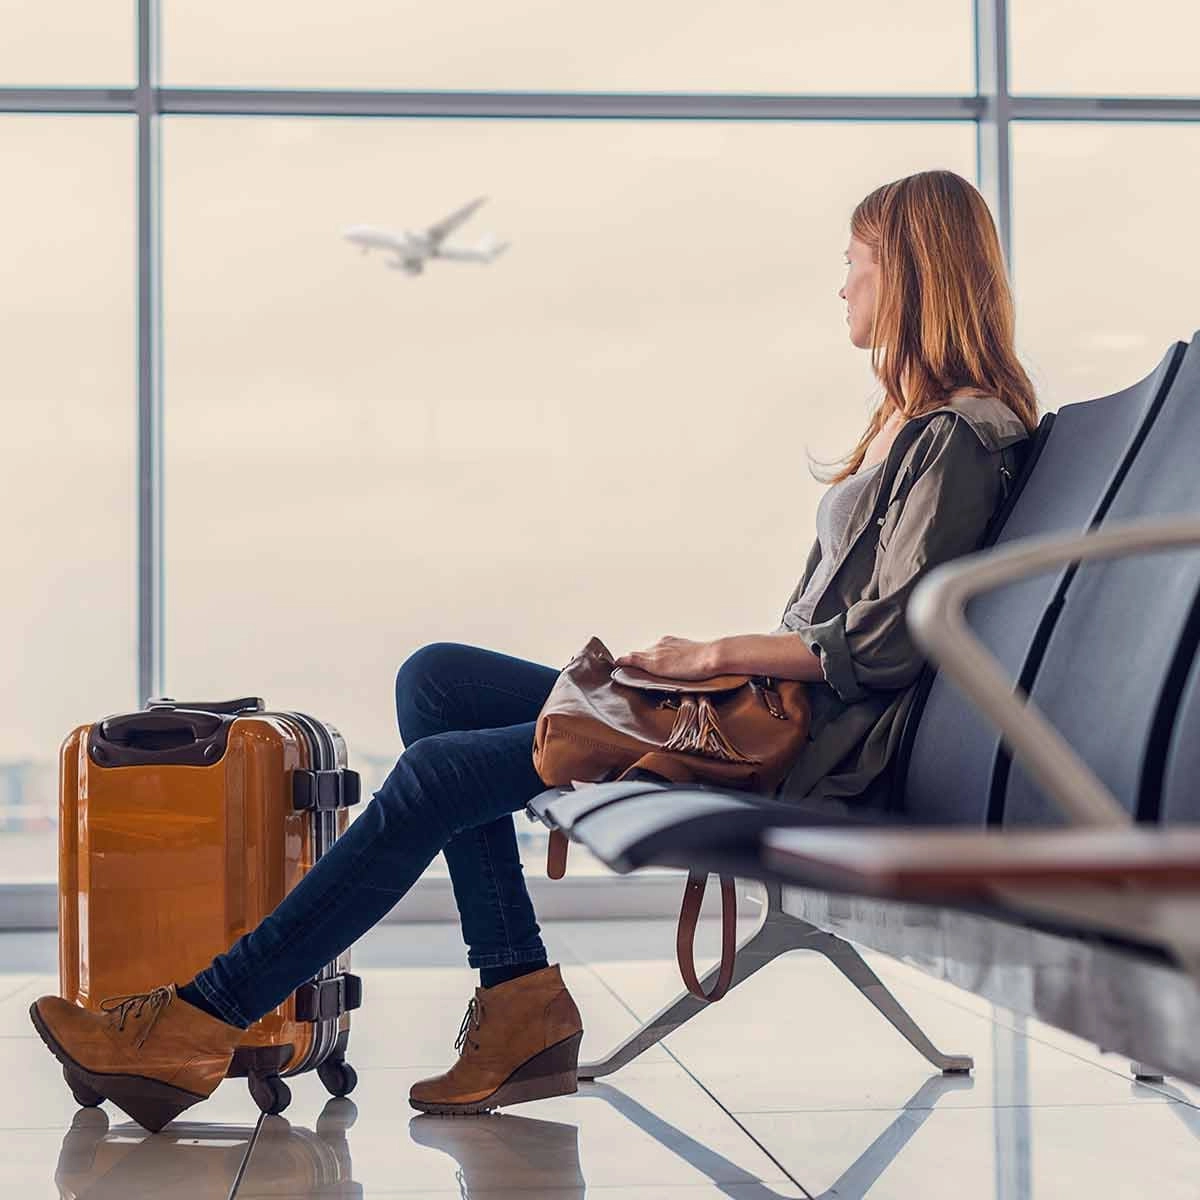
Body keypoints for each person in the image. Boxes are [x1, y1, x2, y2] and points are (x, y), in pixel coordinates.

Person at [29, 168, 1039, 1132]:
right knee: (439, 680)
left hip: (800, 752)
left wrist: (704, 658)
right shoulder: (918, 428)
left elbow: (890, 644)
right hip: (763, 718)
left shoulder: (956, 438)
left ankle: (198, 1023)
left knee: (433, 774)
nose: (843, 280)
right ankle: (519, 995)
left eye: (859, 257)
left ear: (909, 274)